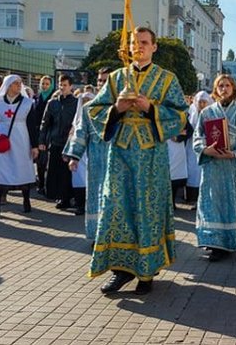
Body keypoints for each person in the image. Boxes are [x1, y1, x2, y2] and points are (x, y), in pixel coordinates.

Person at [85, 26, 187, 295]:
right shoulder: (117, 78)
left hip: (151, 157)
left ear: (154, 47)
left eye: (144, 42)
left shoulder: (167, 79)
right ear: (129, 47)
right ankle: (120, 271)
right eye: (134, 42)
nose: (138, 46)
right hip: (120, 155)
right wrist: (117, 109)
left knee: (147, 211)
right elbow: (93, 110)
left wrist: (150, 108)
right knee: (116, 209)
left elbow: (180, 116)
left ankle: (146, 273)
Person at [193, 75, 236, 261]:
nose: (224, 88)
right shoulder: (207, 112)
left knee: (230, 202)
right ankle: (211, 241)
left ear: (233, 88)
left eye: (227, 85)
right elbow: (198, 136)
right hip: (212, 166)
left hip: (232, 166)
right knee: (210, 202)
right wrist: (206, 149)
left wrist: (235, 153)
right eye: (220, 85)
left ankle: (226, 242)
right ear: (215, 89)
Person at [0, 75, 39, 219]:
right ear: (7, 86)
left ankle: (26, 200)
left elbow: (32, 125)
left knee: (22, 169)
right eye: (15, 84)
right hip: (1, 142)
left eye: (20, 83)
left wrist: (35, 145)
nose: (19, 86)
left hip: (21, 140)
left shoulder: (27, 103)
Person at [63, 68, 110, 237]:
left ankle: (114, 236)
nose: (102, 84)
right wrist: (74, 156)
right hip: (96, 159)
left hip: (117, 161)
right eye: (99, 80)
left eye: (105, 80)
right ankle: (96, 235)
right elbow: (81, 131)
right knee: (95, 196)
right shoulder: (89, 107)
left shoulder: (122, 107)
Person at [39, 74, 76, 209]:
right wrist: (42, 140)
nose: (62, 87)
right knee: (54, 171)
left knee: (67, 172)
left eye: (65, 85)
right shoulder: (52, 103)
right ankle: (58, 196)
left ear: (71, 86)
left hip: (69, 142)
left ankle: (67, 197)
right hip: (55, 141)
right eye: (60, 84)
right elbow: (45, 123)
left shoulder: (76, 103)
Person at [65, 92, 94, 216]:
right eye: (83, 100)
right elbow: (72, 136)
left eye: (88, 99)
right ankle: (80, 206)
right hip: (78, 155)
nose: (85, 102)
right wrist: (68, 152)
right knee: (78, 180)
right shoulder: (77, 118)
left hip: (93, 153)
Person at [185, 91, 213, 206]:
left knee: (203, 172)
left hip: (206, 147)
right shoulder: (191, 113)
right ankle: (190, 196)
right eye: (200, 102)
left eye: (204, 102)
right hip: (191, 147)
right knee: (191, 170)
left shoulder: (211, 113)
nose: (201, 104)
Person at [33, 76, 54, 195]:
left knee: (47, 160)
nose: (44, 86)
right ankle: (40, 183)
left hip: (48, 132)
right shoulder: (37, 98)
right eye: (43, 84)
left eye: (47, 84)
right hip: (37, 132)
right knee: (39, 160)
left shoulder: (53, 97)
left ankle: (47, 185)